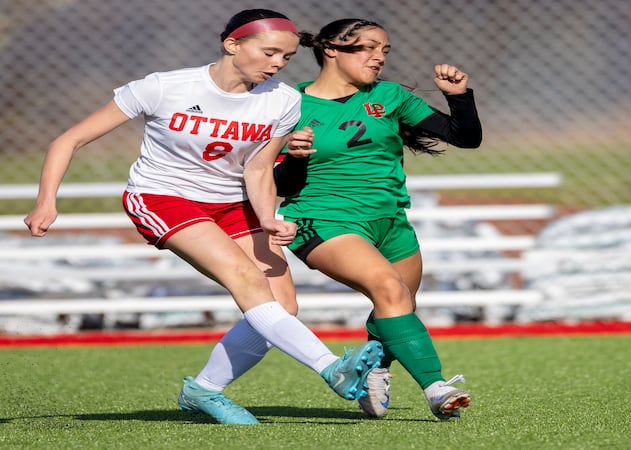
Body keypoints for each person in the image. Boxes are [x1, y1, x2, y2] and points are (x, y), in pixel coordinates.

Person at [23, 9, 383, 425]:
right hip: (163, 196)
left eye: (285, 58)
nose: (277, 64)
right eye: (269, 53)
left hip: (232, 201)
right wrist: (46, 200)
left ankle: (204, 390)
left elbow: (259, 168)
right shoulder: (164, 87)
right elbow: (69, 139)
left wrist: (267, 217)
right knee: (246, 278)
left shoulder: (283, 100)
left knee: (282, 304)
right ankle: (331, 369)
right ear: (232, 45)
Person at [189, 18, 483, 421]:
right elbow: (276, 183)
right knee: (388, 290)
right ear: (331, 49)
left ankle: (375, 370)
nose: (378, 57)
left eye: (385, 50)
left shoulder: (390, 96)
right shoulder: (287, 103)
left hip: (390, 222)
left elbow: (465, 137)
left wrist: (460, 97)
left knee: (397, 305)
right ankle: (437, 388)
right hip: (321, 220)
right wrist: (293, 157)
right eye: (367, 48)